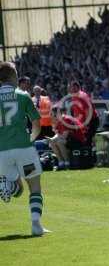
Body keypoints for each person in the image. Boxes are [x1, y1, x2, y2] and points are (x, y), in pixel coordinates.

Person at [0, 62, 50, 236]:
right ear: (13, 76)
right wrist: (30, 139)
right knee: (34, 186)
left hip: (2, 153)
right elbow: (37, 124)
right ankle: (36, 224)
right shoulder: (22, 95)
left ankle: (6, 183)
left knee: (18, 191)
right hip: (24, 150)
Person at [48, 106, 87, 170]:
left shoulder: (66, 119)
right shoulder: (60, 121)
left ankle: (67, 162)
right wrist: (51, 139)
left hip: (77, 140)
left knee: (59, 142)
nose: (51, 115)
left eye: (52, 113)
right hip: (69, 139)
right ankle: (61, 162)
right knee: (52, 142)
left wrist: (56, 135)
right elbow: (59, 135)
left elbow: (64, 136)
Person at [68, 81, 99, 145]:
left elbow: (88, 110)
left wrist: (86, 124)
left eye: (70, 87)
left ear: (75, 87)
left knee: (87, 142)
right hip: (83, 123)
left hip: (91, 121)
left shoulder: (81, 96)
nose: (68, 89)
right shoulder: (74, 97)